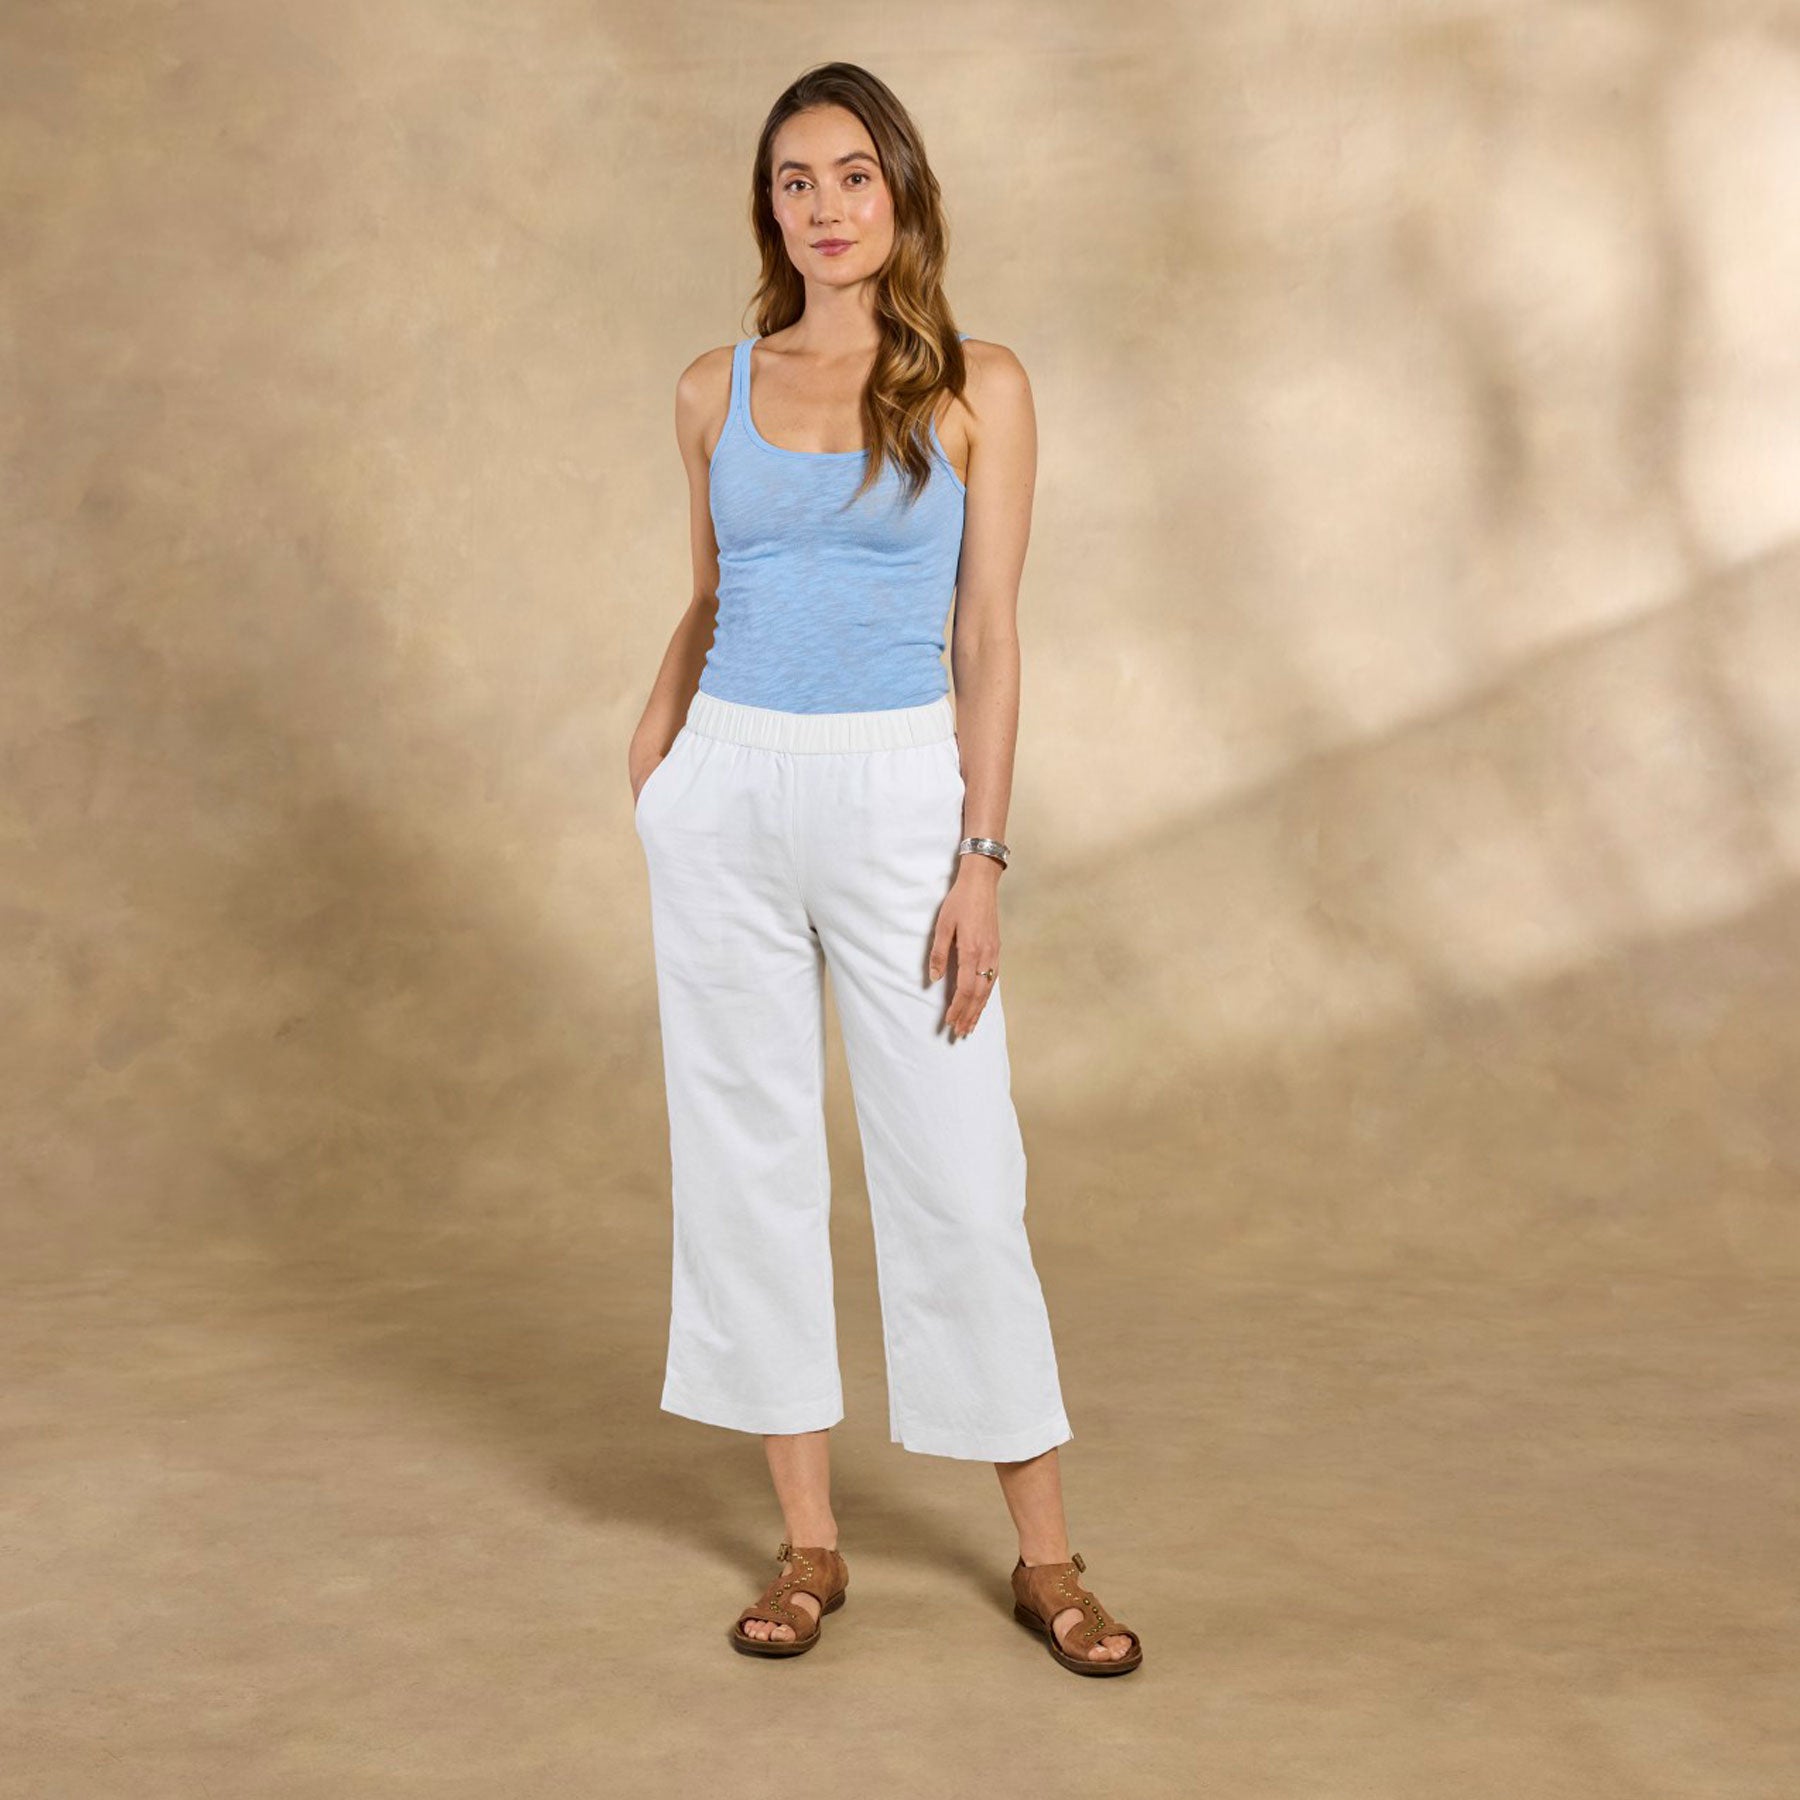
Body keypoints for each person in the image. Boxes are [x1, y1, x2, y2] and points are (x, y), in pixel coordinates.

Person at [627, 61, 1143, 1677]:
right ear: (768, 209)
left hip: (901, 796)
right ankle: (808, 1548)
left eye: (853, 174)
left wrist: (979, 855)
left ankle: (1047, 1562)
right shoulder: (713, 388)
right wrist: (656, 752)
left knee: (960, 1180)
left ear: (901, 191)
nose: (826, 206)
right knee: (748, 1164)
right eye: (795, 181)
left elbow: (989, 636)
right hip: (727, 791)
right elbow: (715, 593)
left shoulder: (977, 385)